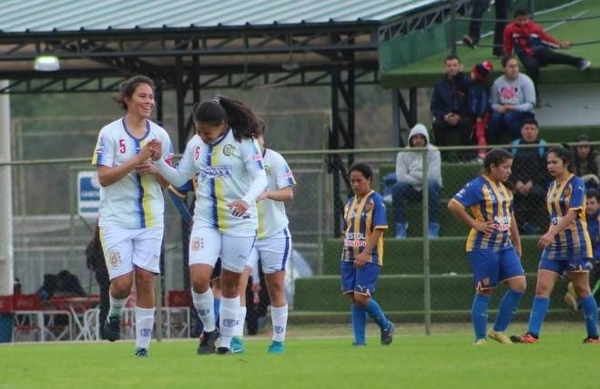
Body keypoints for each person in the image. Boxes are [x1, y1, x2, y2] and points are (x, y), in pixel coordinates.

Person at [149, 95, 268, 355]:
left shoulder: (244, 142)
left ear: (223, 125)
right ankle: (209, 330)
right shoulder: (196, 144)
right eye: (199, 131)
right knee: (200, 279)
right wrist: (158, 161)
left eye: (207, 131)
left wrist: (246, 201)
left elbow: (261, 178)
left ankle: (225, 339)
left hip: (240, 223)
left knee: (230, 285)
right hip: (205, 220)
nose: (202, 136)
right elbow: (180, 176)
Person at [91, 74, 174, 357]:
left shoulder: (160, 136)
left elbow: (172, 183)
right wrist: (136, 160)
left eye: (151, 96)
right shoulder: (109, 134)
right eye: (142, 96)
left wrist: (156, 167)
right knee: (123, 284)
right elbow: (103, 178)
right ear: (128, 99)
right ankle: (114, 314)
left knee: (146, 279)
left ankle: (142, 346)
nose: (149, 101)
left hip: (151, 219)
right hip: (115, 220)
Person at [511, 145, 599, 344]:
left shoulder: (576, 183)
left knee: (582, 290)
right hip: (555, 245)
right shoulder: (552, 185)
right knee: (542, 288)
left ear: (566, 162)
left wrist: (550, 232)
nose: (550, 166)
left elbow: (573, 213)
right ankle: (532, 334)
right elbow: (555, 215)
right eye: (548, 162)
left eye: (554, 162)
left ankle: (594, 335)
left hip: (575, 244)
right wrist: (551, 233)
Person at [447, 148, 526, 345]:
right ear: (492, 167)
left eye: (510, 167)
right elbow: (453, 205)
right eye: (505, 167)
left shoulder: (506, 187)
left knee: (519, 285)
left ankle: (497, 330)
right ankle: (480, 338)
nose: (509, 171)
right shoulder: (477, 186)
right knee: (485, 290)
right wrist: (476, 223)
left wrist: (517, 241)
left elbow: (510, 215)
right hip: (483, 246)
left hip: (505, 245)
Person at [243, 124, 296, 354]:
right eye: (248, 138)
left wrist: (265, 193)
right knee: (238, 282)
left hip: (274, 233)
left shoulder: (274, 160)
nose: (254, 142)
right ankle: (234, 339)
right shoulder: (241, 161)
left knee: (275, 287)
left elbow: (288, 193)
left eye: (257, 137)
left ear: (263, 138)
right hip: (246, 233)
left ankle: (278, 341)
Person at [341, 163, 394, 347]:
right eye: (352, 181)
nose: (355, 184)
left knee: (361, 297)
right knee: (355, 298)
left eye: (359, 180)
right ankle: (359, 341)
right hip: (349, 256)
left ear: (369, 179)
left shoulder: (376, 201)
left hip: (369, 256)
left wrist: (365, 253)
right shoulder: (350, 202)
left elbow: (378, 230)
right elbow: (347, 229)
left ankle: (386, 325)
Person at [503, 8, 591, 99]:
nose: (522, 22)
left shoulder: (534, 28)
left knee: (554, 56)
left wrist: (560, 45)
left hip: (539, 50)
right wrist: (508, 61)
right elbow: (508, 45)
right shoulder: (509, 29)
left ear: (528, 19)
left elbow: (546, 39)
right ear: (514, 20)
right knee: (532, 67)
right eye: (519, 20)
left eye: (525, 20)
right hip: (524, 54)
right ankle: (533, 96)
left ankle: (579, 62)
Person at [390, 123, 442, 239]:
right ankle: (401, 226)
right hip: (412, 189)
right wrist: (421, 177)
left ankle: (434, 226)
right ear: (411, 139)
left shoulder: (434, 152)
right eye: (415, 138)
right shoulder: (402, 154)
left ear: (426, 139)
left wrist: (413, 175)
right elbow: (400, 177)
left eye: (421, 138)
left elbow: (433, 176)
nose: (418, 141)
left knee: (431, 184)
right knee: (397, 188)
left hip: (431, 189)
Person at [509, 118, 551, 235]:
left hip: (537, 184)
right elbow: (507, 168)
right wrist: (516, 182)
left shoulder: (543, 146)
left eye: (532, 129)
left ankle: (528, 225)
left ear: (537, 131)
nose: (529, 131)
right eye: (526, 129)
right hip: (515, 184)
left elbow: (546, 170)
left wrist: (531, 183)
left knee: (536, 194)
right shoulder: (514, 146)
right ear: (521, 131)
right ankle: (519, 226)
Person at [430, 54, 474, 162]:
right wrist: (445, 116)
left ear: (460, 67)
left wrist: (459, 116)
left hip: (463, 116)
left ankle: (465, 158)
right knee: (437, 125)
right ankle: (443, 158)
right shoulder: (439, 85)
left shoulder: (468, 83)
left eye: (454, 65)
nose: (452, 68)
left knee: (467, 123)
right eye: (449, 65)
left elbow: (472, 104)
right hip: (445, 117)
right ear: (445, 67)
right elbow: (434, 107)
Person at [564, 188, 600, 310]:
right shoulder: (579, 218)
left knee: (591, 268)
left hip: (596, 258)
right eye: (587, 203)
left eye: (593, 203)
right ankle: (576, 294)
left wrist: (592, 259)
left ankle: (576, 294)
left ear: (598, 204)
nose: (589, 206)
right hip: (583, 257)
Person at [487, 55, 536, 145]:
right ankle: (493, 148)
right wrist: (499, 108)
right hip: (504, 110)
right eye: (511, 66)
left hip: (523, 112)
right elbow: (492, 103)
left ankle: (521, 142)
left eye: (516, 66)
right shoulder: (497, 83)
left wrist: (514, 108)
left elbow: (531, 104)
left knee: (509, 117)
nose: (514, 69)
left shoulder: (526, 81)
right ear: (504, 69)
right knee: (494, 117)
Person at [85, 223, 110, 340]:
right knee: (110, 303)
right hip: (110, 274)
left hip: (101, 275)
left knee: (105, 303)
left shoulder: (94, 245)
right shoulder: (109, 243)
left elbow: (89, 263)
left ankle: (104, 330)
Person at [469, 60, 494, 161]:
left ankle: (482, 154)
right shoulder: (473, 85)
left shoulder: (483, 87)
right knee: (476, 134)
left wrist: (481, 115)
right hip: (475, 115)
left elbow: (484, 102)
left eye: (473, 72)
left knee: (480, 134)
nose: (471, 74)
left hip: (481, 116)